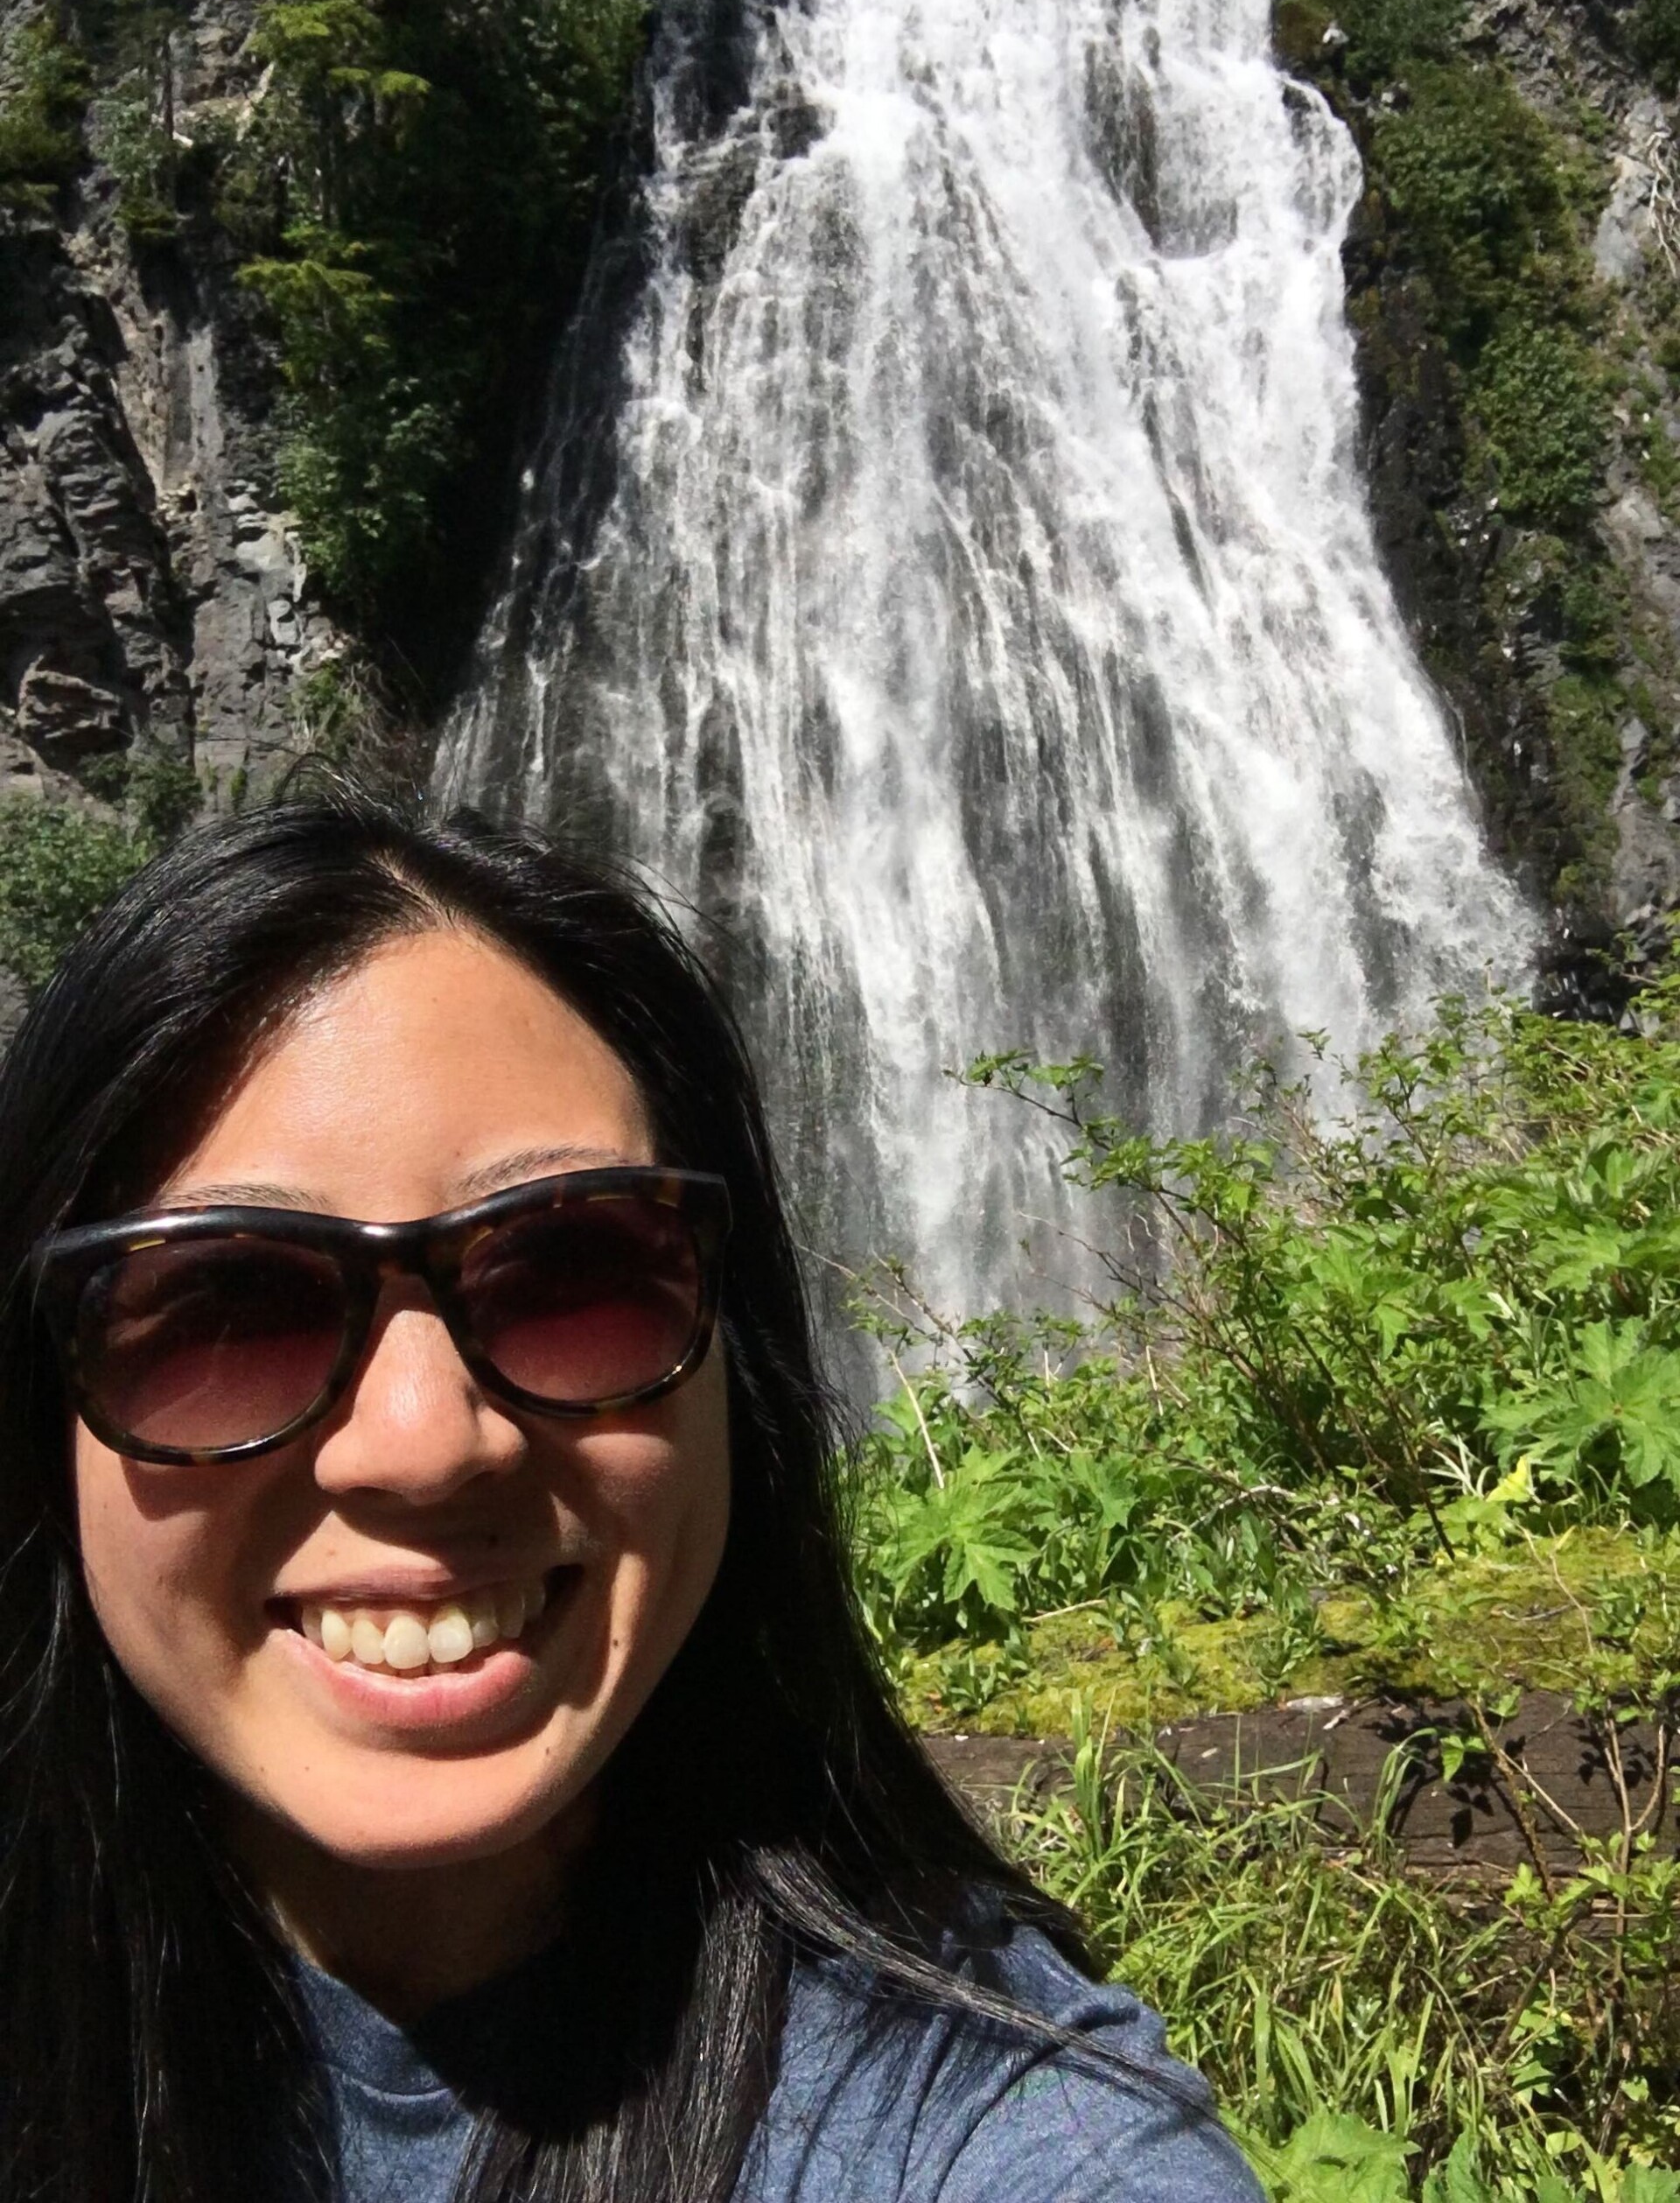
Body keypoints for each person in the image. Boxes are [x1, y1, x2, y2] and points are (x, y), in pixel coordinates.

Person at [0, 795, 1262, 2203]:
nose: (424, 1442)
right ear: (38, 1407)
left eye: (572, 1272)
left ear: (744, 1362)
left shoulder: (1008, 2132)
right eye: (226, 1305)